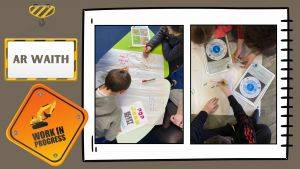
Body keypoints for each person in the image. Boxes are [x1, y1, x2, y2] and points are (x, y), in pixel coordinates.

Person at [191, 80, 271, 144]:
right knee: (264, 131)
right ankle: (251, 123)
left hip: (229, 135)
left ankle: (251, 124)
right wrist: (228, 93)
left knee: (256, 128)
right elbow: (242, 118)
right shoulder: (247, 145)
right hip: (242, 139)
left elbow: (193, 130)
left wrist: (205, 111)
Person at [95, 67, 131, 143]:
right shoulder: (116, 111)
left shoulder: (94, 80)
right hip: (96, 136)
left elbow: (101, 74)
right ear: (122, 91)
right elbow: (110, 137)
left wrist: (118, 73)